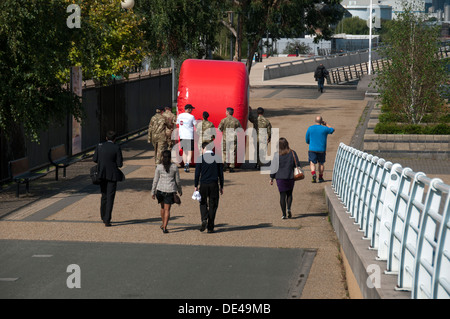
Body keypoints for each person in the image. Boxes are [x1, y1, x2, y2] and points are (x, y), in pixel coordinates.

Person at [93, 130, 124, 227]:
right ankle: (107, 219)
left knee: (104, 195)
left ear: (106, 138)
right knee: (110, 197)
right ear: (115, 139)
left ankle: (103, 216)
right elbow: (119, 164)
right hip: (112, 175)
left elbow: (95, 159)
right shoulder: (116, 147)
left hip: (101, 173)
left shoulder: (99, 146)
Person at [194, 142, 224, 233]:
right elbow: (220, 174)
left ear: (204, 149)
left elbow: (197, 174)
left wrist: (196, 185)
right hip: (214, 184)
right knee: (213, 205)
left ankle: (204, 218)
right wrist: (221, 186)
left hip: (203, 184)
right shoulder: (217, 158)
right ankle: (210, 227)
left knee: (202, 202)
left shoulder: (200, 158)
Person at [151, 150, 182, 233]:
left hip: (160, 190)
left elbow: (155, 180)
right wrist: (179, 190)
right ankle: (165, 226)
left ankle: (162, 223)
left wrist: (153, 192)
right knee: (167, 210)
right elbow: (178, 181)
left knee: (162, 208)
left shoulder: (159, 167)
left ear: (162, 157)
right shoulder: (174, 167)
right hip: (170, 190)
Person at [269, 138, 299, 219]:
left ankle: (283, 214)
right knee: (289, 194)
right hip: (290, 176)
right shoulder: (292, 153)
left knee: (282, 196)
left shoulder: (276, 155)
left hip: (280, 178)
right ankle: (289, 208)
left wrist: (271, 178)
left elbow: (274, 168)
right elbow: (297, 164)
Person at [305, 116, 335, 183]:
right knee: (321, 163)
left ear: (315, 120)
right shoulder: (325, 129)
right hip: (321, 149)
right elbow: (332, 129)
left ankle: (313, 174)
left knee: (312, 163)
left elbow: (307, 139)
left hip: (312, 149)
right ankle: (320, 177)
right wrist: (326, 124)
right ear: (321, 121)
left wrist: (309, 142)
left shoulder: (310, 128)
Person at [218, 107, 242, 172]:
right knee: (232, 152)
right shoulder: (236, 120)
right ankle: (231, 167)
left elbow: (219, 129)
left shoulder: (223, 120)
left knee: (224, 151)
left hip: (225, 138)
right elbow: (240, 129)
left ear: (227, 112)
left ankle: (225, 165)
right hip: (233, 138)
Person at [176, 104, 197, 172]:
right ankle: (188, 163)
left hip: (182, 136)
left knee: (184, 151)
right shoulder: (191, 116)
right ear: (188, 109)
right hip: (189, 136)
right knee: (190, 151)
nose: (192, 110)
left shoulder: (180, 115)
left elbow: (177, 123)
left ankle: (185, 164)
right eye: (191, 109)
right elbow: (195, 125)